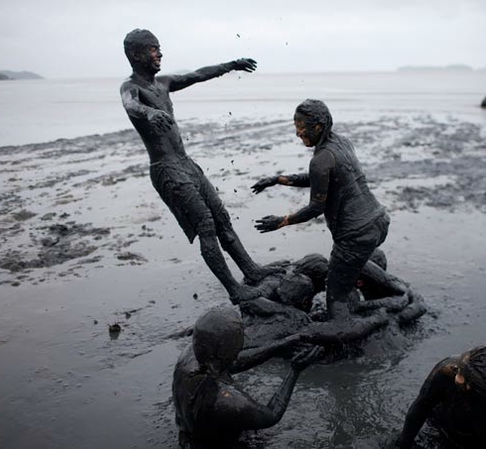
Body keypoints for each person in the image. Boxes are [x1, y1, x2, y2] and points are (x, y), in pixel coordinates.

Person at [120, 29, 275, 303]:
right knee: (205, 225)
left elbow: (197, 74)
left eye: (159, 48)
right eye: (154, 49)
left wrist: (231, 65)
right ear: (136, 54)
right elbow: (130, 105)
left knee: (222, 218)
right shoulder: (132, 88)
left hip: (187, 164)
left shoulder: (163, 83)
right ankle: (235, 291)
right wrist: (150, 112)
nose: (160, 54)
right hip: (165, 168)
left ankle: (251, 271)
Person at [251, 99, 390, 320]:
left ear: (318, 127)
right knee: (348, 274)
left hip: (355, 235)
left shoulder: (321, 159)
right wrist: (277, 179)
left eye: (301, 127)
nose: (297, 133)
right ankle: (378, 298)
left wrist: (280, 221)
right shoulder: (343, 143)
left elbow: (316, 208)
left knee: (335, 301)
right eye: (295, 126)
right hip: (379, 221)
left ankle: (352, 336)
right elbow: (321, 180)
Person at [172, 306, 321, 448]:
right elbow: (271, 415)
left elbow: (233, 361)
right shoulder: (227, 399)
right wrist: (295, 370)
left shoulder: (190, 355)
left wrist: (280, 346)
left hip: (189, 434)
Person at [396, 345, 486, 449]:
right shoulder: (448, 371)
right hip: (442, 426)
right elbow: (421, 406)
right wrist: (403, 444)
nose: (456, 370)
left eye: (461, 373)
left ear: (478, 391)